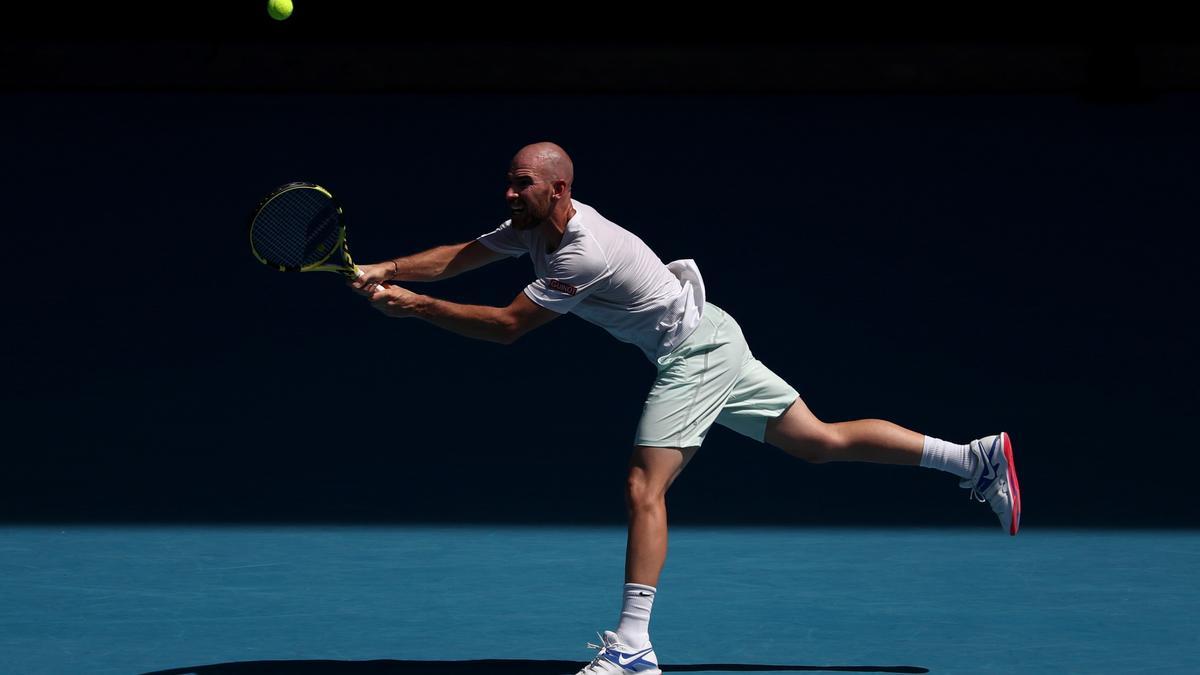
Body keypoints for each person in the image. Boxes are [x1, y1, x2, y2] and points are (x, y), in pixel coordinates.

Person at [350, 142, 1021, 675]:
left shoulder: (582, 249)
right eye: (509, 180)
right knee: (819, 441)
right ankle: (972, 458)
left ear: (557, 189)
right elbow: (458, 256)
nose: (508, 192)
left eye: (520, 183)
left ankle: (632, 646)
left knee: (646, 485)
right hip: (711, 333)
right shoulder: (530, 225)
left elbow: (507, 326)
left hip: (695, 353)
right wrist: (390, 267)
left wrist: (417, 309)